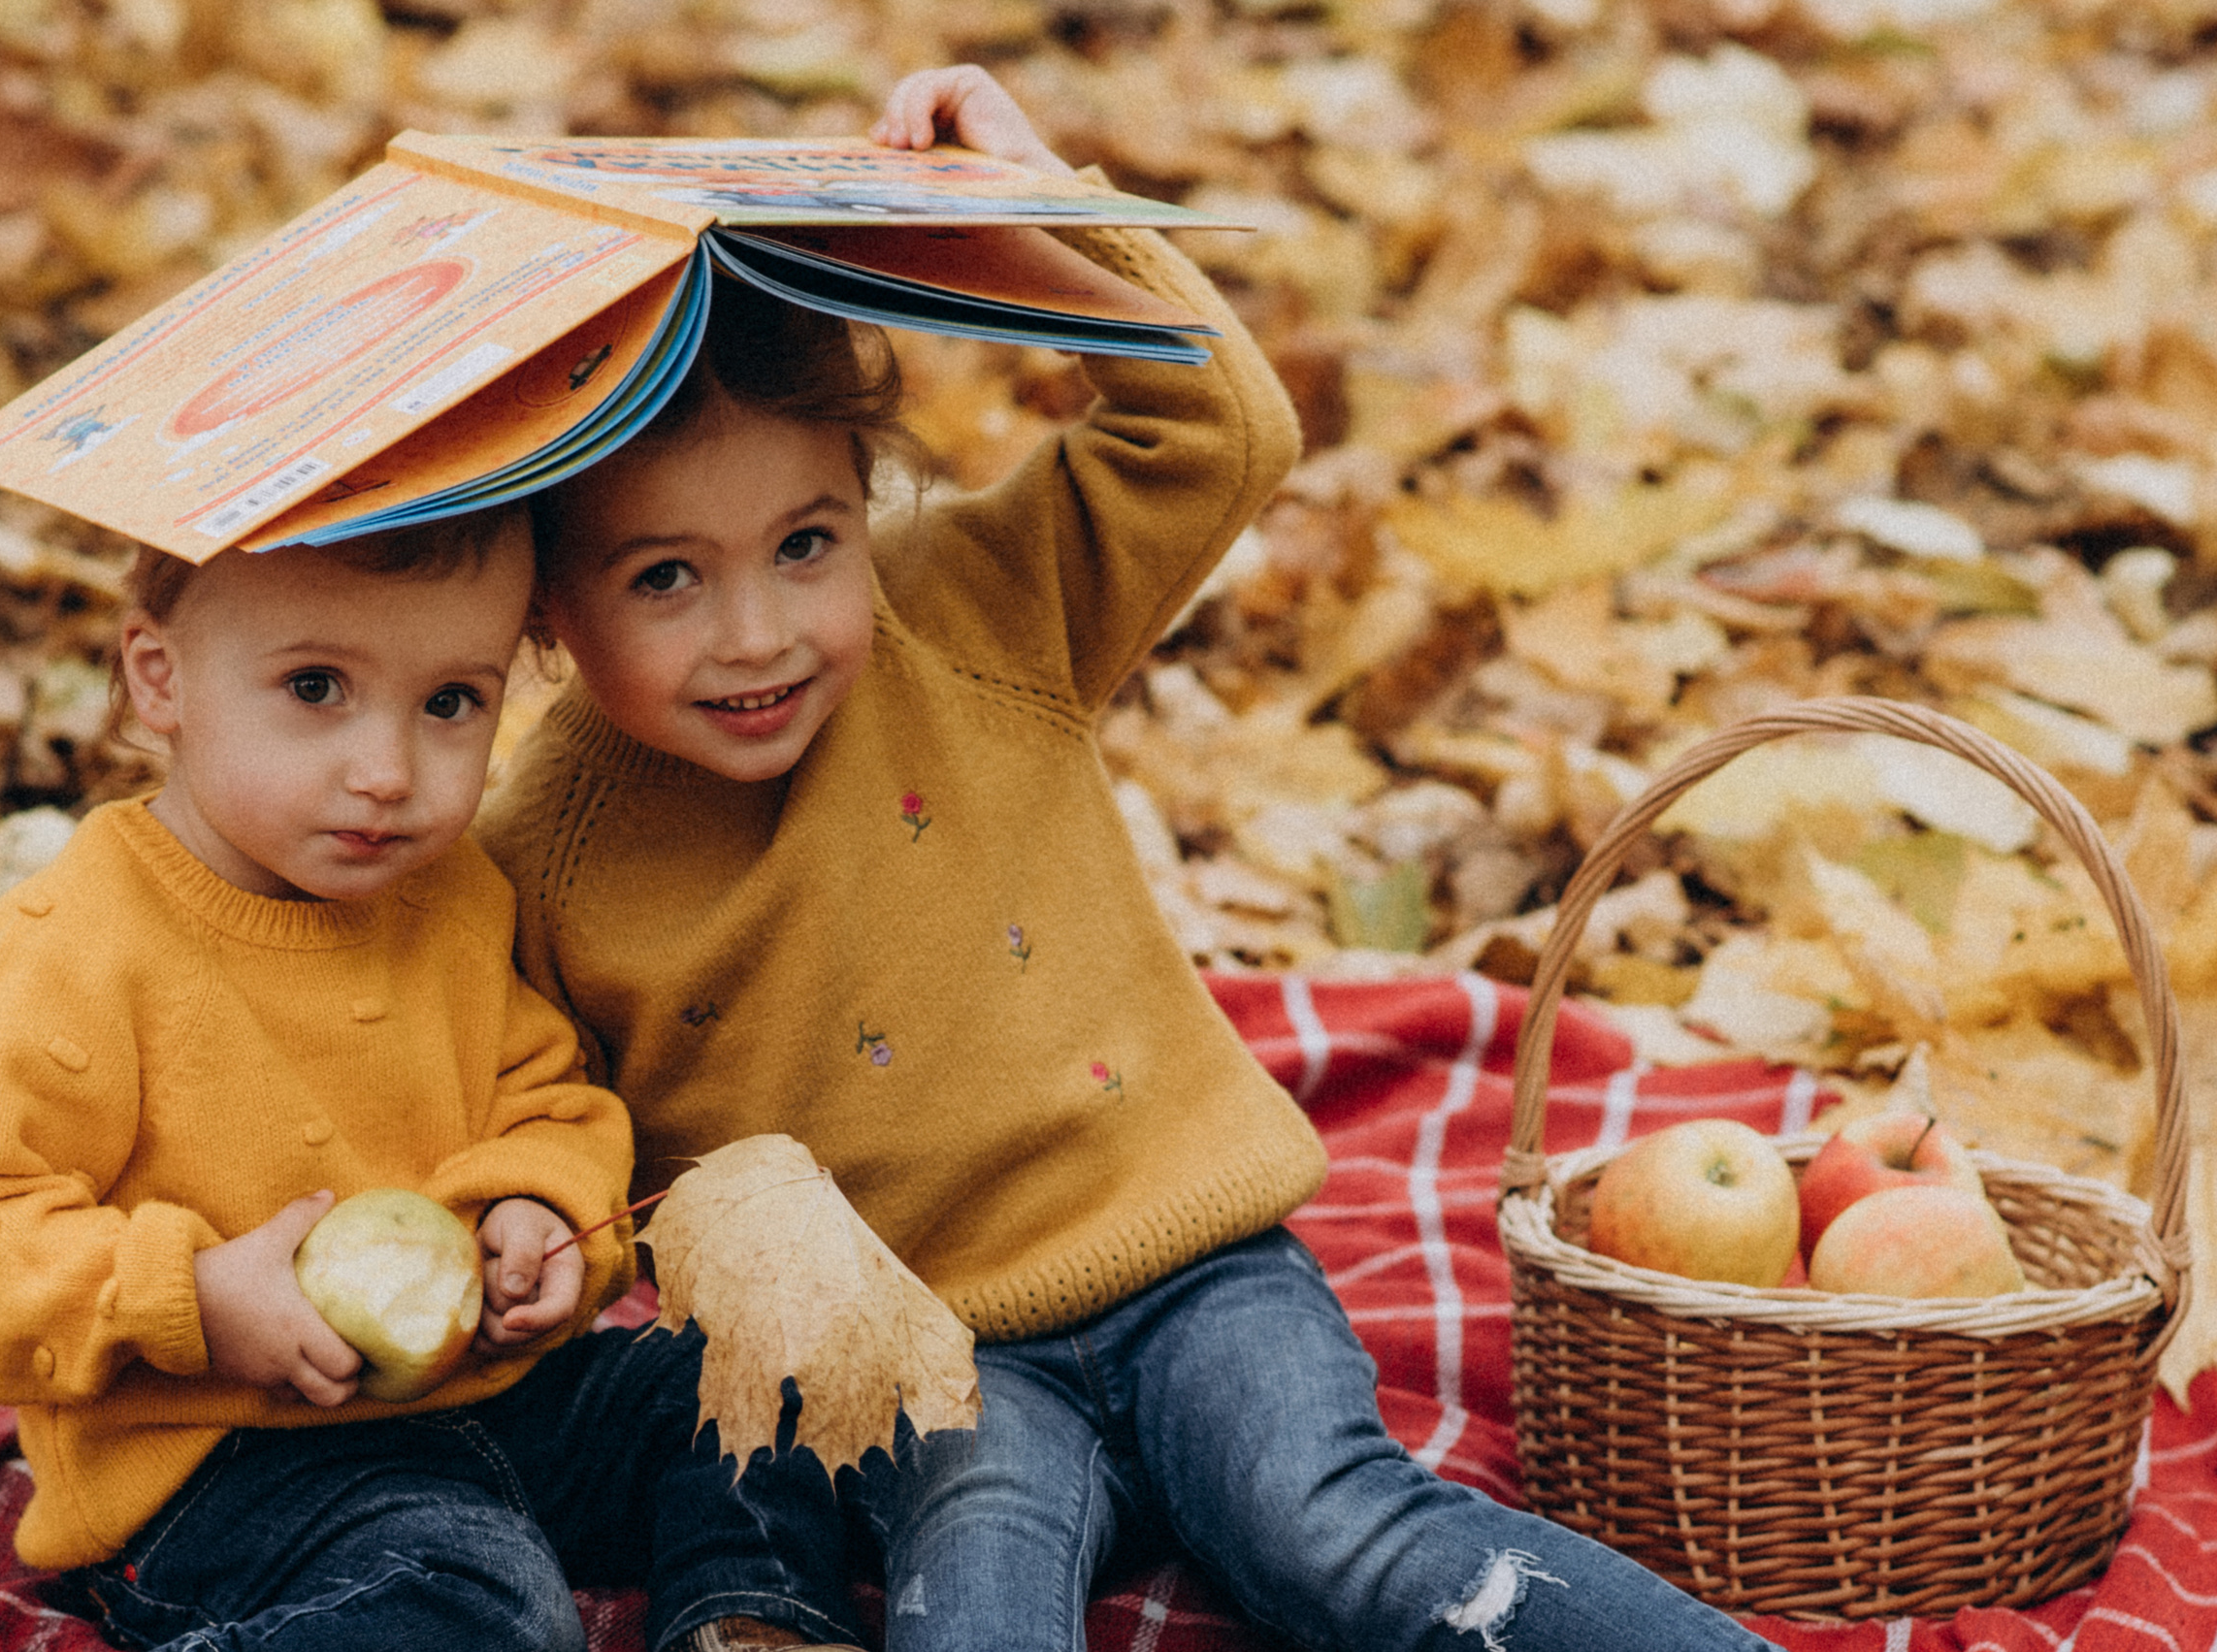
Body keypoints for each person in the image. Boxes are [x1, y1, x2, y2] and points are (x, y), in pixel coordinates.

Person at [476, 66, 1783, 1652]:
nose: (758, 631)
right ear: (540, 593)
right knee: (972, 1587)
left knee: (1332, 1532)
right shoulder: (539, 854)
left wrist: (1043, 216)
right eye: (667, 575)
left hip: (1198, 1268)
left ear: (863, 502)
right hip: (935, 1356)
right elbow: (529, 1108)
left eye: (807, 541)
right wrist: (526, 1216)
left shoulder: (969, 608)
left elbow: (1222, 431)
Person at [0, 511, 863, 1652]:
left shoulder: (454, 895)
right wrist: (190, 1293)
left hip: (497, 1395)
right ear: (159, 679)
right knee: (474, 1599)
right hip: (225, 1461)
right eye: (316, 686)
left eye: (451, 702)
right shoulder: (70, 948)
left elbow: (548, 1097)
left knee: (755, 1376)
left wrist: (530, 1210)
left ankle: (748, 1616)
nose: (388, 772)